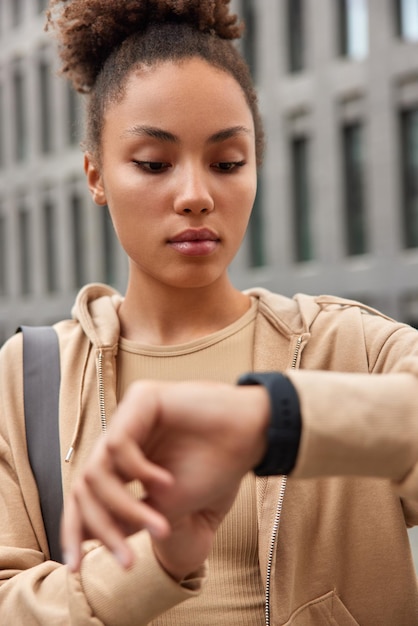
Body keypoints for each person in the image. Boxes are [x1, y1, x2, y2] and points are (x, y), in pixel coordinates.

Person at [1, 0, 418, 624]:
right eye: (152, 164)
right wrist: (158, 560)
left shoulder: (352, 347)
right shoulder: (30, 377)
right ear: (95, 176)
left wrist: (272, 420)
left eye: (227, 163)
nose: (196, 195)